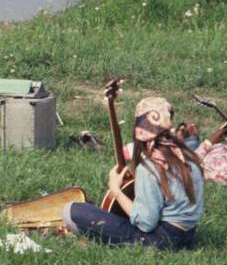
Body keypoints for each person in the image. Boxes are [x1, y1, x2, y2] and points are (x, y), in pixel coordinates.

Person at [62, 97, 203, 249]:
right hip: (188, 236)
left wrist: (115, 189)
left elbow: (146, 223)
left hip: (159, 241)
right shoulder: (188, 155)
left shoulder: (149, 168)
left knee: (72, 209)